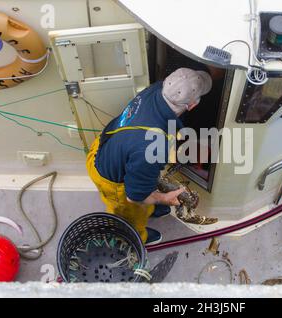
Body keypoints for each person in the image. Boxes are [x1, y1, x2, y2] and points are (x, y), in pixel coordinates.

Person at [86, 68, 212, 245]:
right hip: (110, 179)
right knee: (131, 215)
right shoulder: (154, 146)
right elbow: (134, 196)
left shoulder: (155, 89)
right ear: (191, 105)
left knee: (145, 187)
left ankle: (151, 207)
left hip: (106, 143)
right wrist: (165, 198)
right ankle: (134, 237)